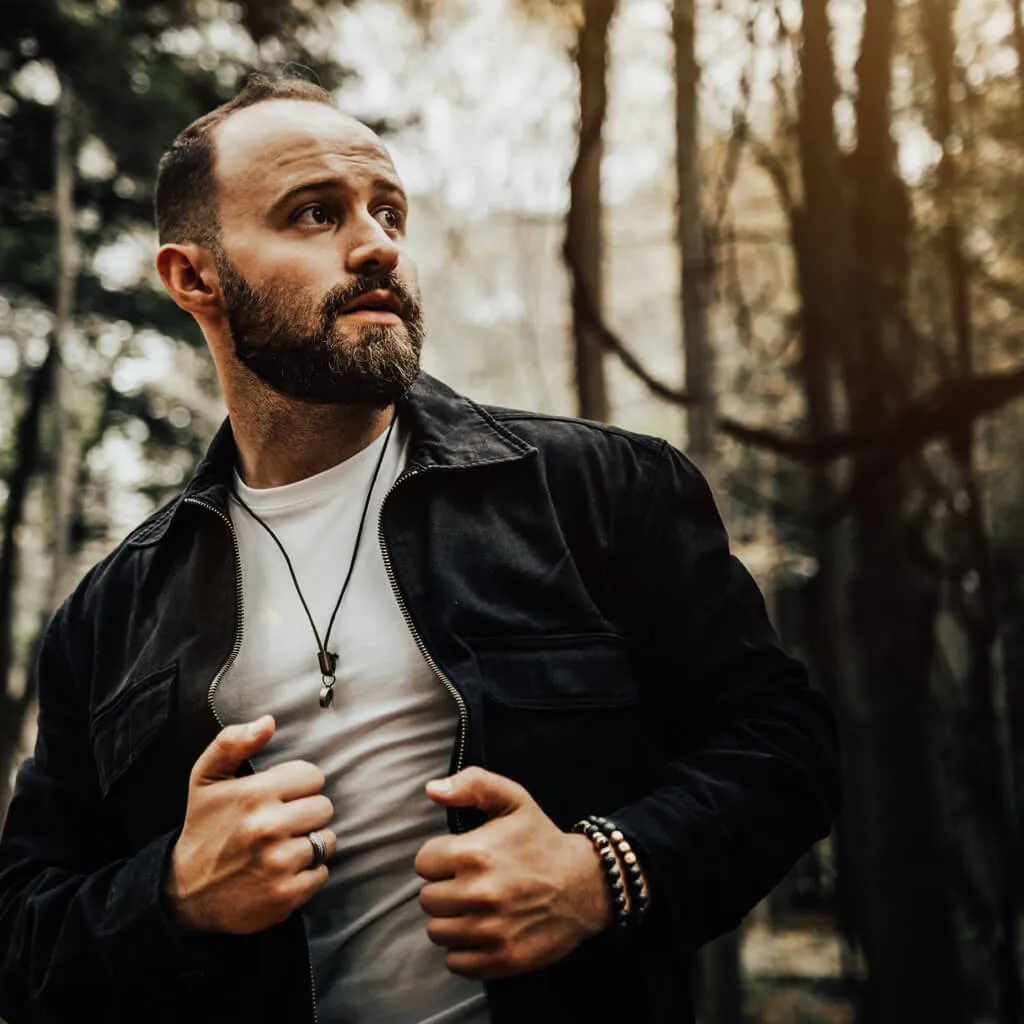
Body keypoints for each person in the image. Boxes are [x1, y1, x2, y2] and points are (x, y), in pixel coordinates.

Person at [0, 73, 841, 1024]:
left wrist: (602, 870)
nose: (377, 245)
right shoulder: (112, 614)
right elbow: (23, 935)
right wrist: (174, 894)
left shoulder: (600, 493)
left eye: (387, 208)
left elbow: (787, 747)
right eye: (315, 214)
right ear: (195, 278)